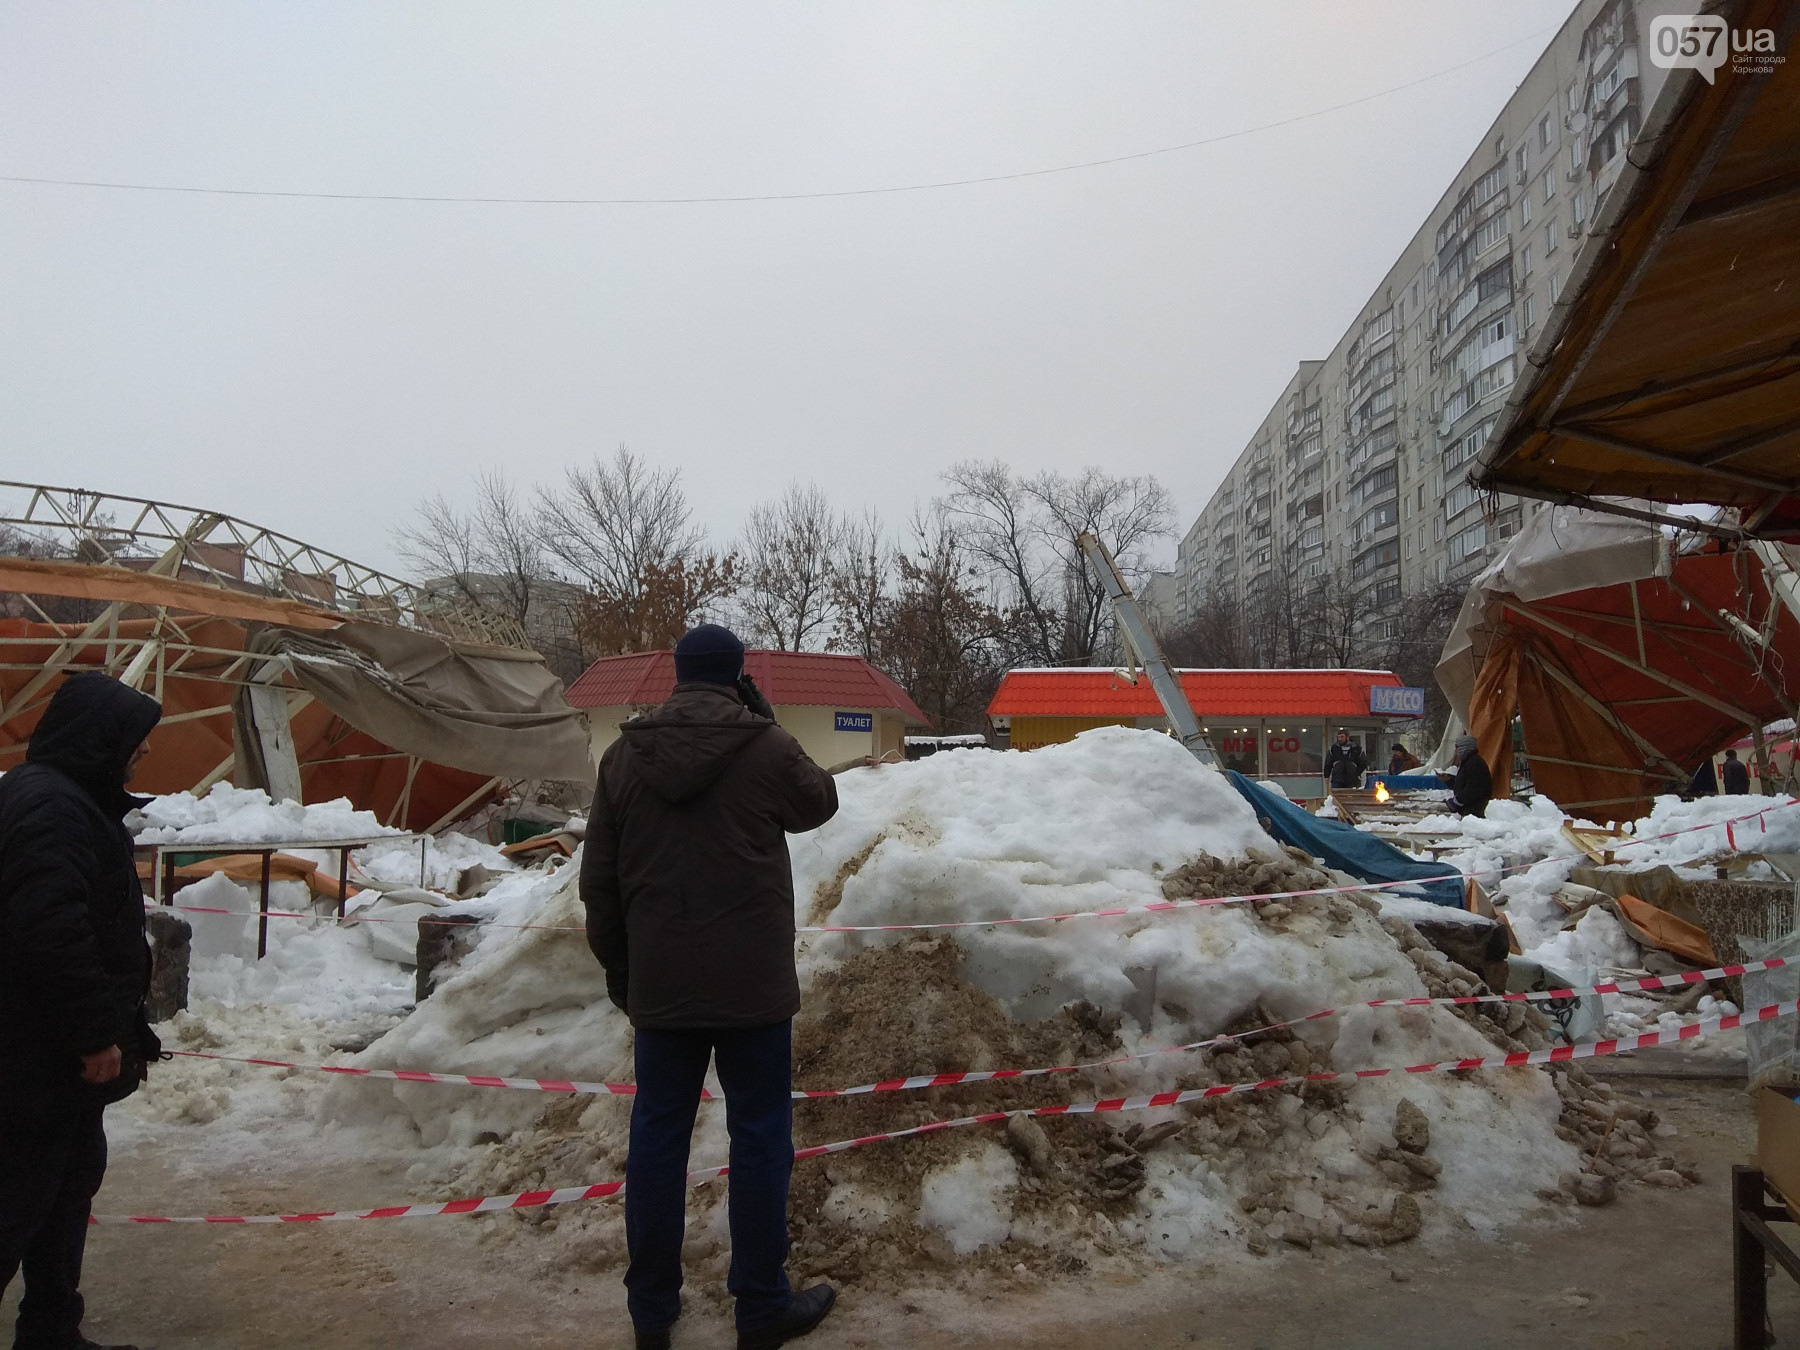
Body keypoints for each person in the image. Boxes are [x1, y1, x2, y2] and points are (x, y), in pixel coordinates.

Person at [582, 625, 841, 1350]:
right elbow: (818, 803)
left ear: (678, 673)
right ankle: (761, 1308)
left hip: (662, 986)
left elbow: (598, 882)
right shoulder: (766, 746)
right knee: (759, 1138)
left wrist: (624, 972)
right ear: (737, 673)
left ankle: (651, 1314)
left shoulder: (624, 756)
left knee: (657, 1139)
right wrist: (766, 721)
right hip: (753, 988)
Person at [1, 672, 163, 1350]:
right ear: (100, 739)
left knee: (65, 1192)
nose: (144, 751)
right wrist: (95, 1033)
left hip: (48, 1055)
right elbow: (50, 929)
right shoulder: (52, 807)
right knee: (19, 1201)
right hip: (33, 1055)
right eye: (135, 738)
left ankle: (51, 1331)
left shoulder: (66, 797)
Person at [1450, 733, 1493, 819]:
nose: (1455, 750)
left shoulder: (1474, 763)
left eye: (1457, 747)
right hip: (1470, 809)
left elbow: (1473, 789)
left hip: (1475, 810)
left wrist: (1458, 801)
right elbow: (1462, 783)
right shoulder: (1468, 762)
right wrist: (1448, 779)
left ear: (1464, 747)